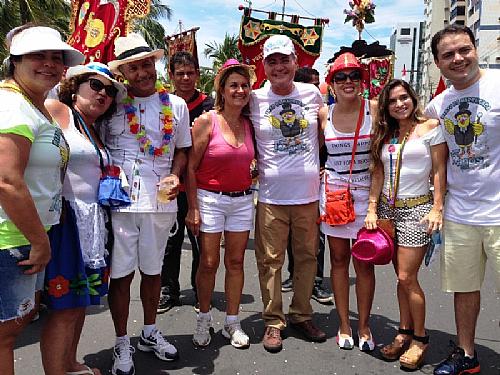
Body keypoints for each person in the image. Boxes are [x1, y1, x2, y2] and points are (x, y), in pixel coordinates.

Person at [104, 33, 191, 375]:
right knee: (122, 275)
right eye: (134, 67)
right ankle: (121, 340)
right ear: (123, 72)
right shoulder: (111, 102)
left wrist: (175, 173)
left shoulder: (176, 105)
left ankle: (150, 332)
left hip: (160, 202)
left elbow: (182, 148)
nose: (142, 72)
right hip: (121, 204)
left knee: (153, 271)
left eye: (146, 64)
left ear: (154, 65)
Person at [0, 24, 83, 375]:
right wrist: (39, 241)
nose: (49, 64)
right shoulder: (11, 105)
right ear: (15, 61)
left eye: (56, 57)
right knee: (5, 332)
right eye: (38, 55)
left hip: (29, 236)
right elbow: (6, 180)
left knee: (18, 322)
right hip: (12, 237)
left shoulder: (34, 105)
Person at [40, 62, 126, 375]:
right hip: (64, 221)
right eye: (95, 85)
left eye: (110, 90)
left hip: (91, 225)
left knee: (78, 304)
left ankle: (70, 363)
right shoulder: (56, 110)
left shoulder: (95, 128)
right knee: (63, 308)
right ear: (75, 85)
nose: (104, 93)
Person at [425, 24, 499, 375]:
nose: (458, 58)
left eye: (464, 50)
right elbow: (433, 161)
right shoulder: (437, 106)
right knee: (464, 288)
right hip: (461, 214)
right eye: (448, 54)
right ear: (438, 63)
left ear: (475, 49)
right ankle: (466, 354)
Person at [249, 34, 327, 353]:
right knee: (270, 261)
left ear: (296, 62)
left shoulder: (312, 94)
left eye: (285, 59)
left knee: (308, 258)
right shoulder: (253, 99)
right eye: (272, 61)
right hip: (270, 196)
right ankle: (273, 321)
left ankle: (301, 314)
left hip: (308, 195)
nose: (279, 66)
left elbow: (323, 136)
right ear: (264, 66)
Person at [365, 79, 447, 369]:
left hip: (417, 210)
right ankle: (404, 331)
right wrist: (373, 209)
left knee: (406, 278)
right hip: (388, 212)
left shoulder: (430, 128)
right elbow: (377, 174)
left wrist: (437, 208)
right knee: (400, 277)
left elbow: (439, 172)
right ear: (386, 106)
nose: (400, 104)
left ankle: (420, 339)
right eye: (392, 101)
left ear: (413, 98)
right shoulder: (385, 134)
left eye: (404, 98)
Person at [185, 59, 255, 349]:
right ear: (222, 91)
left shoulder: (251, 124)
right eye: (233, 85)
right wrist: (193, 208)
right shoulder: (206, 121)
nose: (239, 90)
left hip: (242, 200)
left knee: (236, 262)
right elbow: (190, 167)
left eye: (244, 85)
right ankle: (203, 317)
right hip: (210, 199)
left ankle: (232, 321)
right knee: (209, 262)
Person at [320, 52, 378, 351]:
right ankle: (344, 324)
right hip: (334, 198)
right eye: (340, 77)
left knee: (364, 264)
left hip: (365, 196)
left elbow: (381, 161)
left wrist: (372, 205)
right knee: (339, 261)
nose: (347, 82)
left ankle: (365, 325)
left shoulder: (375, 110)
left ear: (362, 81)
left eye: (354, 76)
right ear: (331, 83)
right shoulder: (323, 115)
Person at [158, 51, 214, 313]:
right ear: (170, 76)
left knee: (200, 239)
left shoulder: (210, 106)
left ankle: (200, 287)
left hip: (202, 184)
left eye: (190, 73)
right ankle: (168, 289)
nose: (185, 78)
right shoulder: (161, 103)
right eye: (179, 73)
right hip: (169, 184)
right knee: (170, 240)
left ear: (198, 74)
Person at [281, 66, 333, 305]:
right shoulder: (295, 109)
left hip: (318, 183)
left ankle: (316, 283)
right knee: (293, 238)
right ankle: (294, 275)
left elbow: (327, 140)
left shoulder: (321, 110)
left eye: (318, 82)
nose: (316, 87)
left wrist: (325, 167)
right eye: (311, 83)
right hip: (289, 188)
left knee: (315, 241)